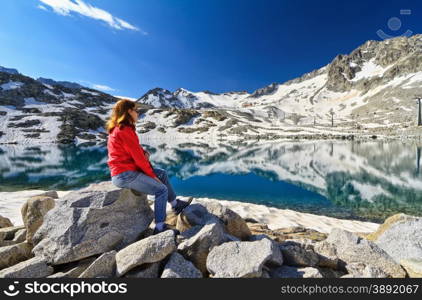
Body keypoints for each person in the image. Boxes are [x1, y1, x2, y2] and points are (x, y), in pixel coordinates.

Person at [106, 99, 192, 234]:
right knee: (161, 190)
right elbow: (139, 160)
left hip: (126, 172)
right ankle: (159, 227)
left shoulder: (120, 129)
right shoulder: (124, 130)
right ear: (129, 111)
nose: (138, 113)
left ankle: (175, 205)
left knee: (162, 173)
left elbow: (132, 150)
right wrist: (152, 176)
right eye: (136, 110)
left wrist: (143, 152)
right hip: (125, 174)